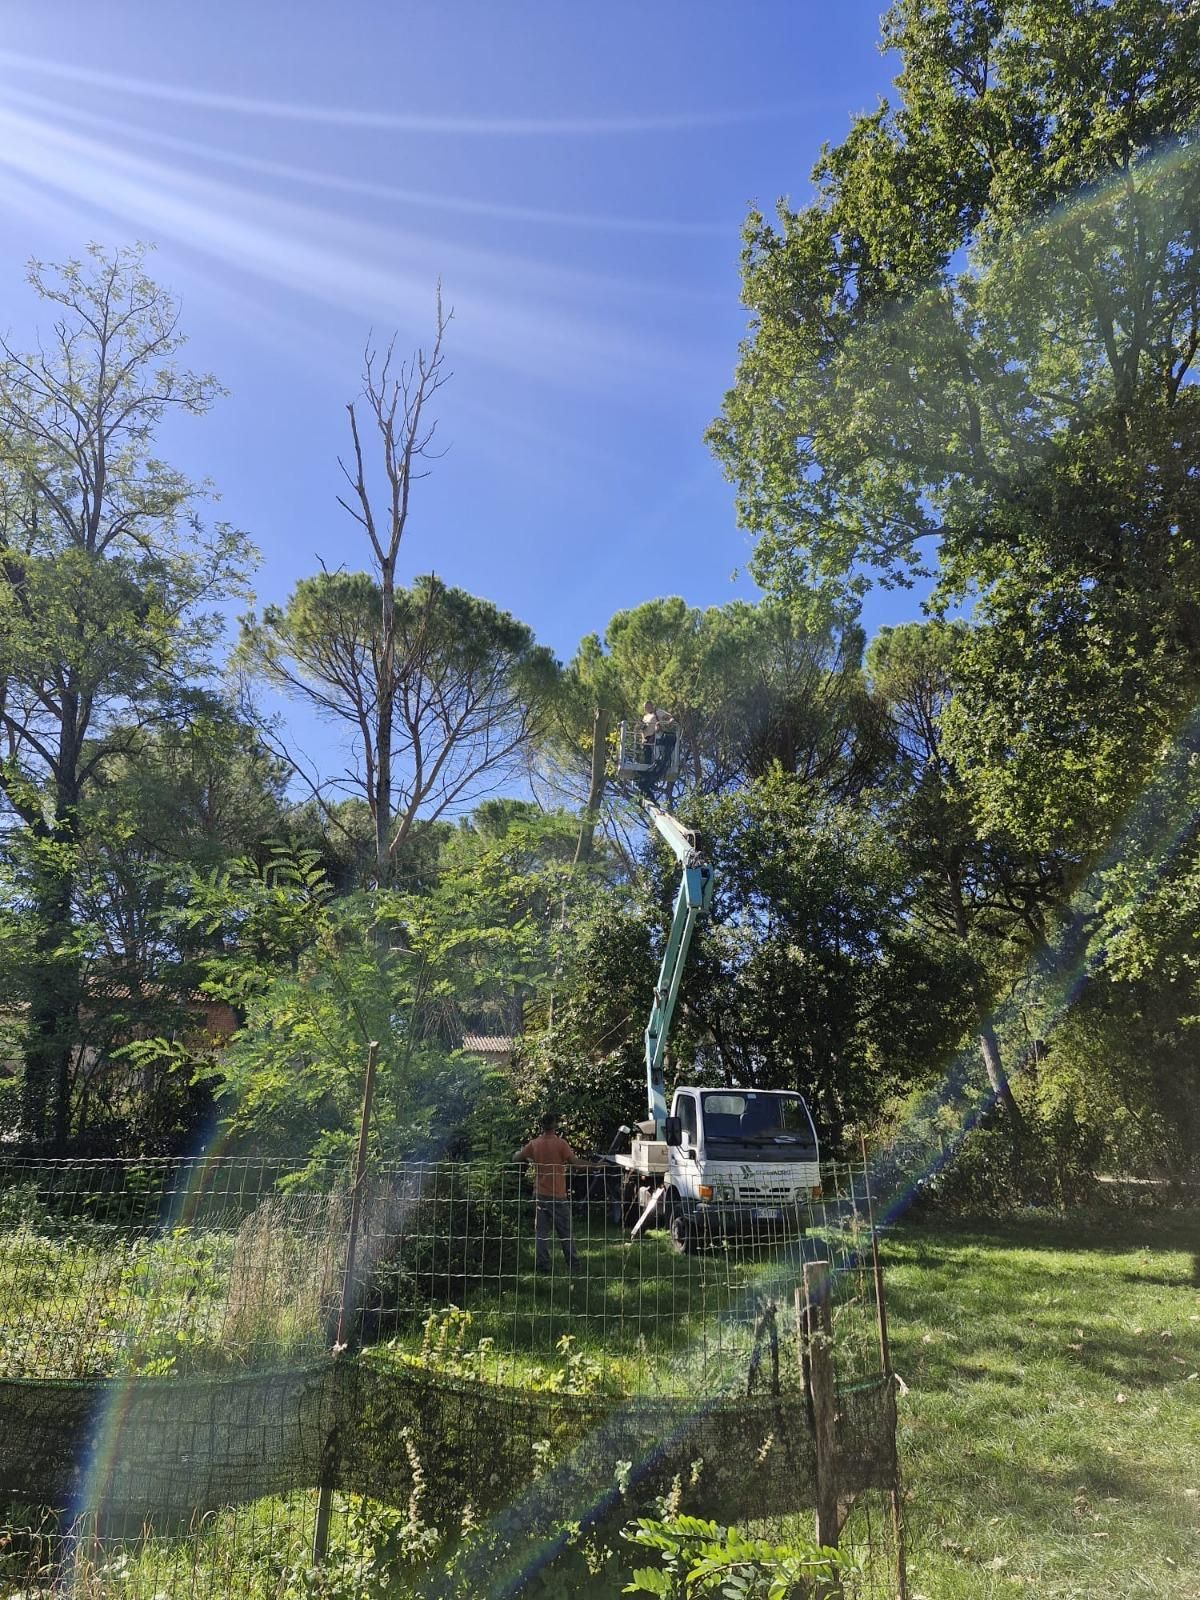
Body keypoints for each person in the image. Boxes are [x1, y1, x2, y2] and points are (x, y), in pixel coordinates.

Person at [514, 1111, 584, 1272]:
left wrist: (524, 1155)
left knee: (541, 1233)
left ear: (541, 1125)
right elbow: (575, 1162)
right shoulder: (561, 1144)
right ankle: (574, 1265)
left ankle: (543, 1266)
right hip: (558, 1194)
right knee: (565, 1232)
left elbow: (516, 1158)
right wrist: (595, 1166)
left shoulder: (534, 1144)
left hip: (541, 1194)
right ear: (555, 1125)